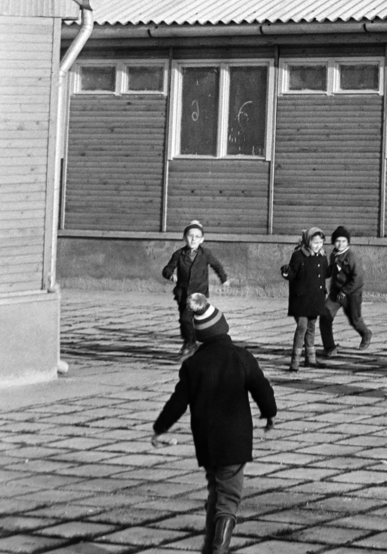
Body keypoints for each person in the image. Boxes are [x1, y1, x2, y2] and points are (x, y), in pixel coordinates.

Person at [151, 294, 276, 554]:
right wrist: (269, 414)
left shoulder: (193, 365)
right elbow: (262, 388)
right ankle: (219, 547)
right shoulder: (242, 357)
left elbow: (178, 401)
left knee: (215, 491)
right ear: (224, 328)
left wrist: (161, 427)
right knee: (228, 497)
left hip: (207, 441)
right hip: (235, 439)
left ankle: (210, 546)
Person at [161, 221, 228, 360]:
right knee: (185, 320)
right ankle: (190, 343)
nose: (193, 239)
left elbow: (217, 266)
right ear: (184, 238)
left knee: (197, 319)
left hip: (199, 294)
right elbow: (167, 269)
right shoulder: (179, 254)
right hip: (183, 294)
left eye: (197, 236)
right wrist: (170, 275)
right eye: (190, 236)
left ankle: (199, 344)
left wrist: (224, 279)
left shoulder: (206, 254)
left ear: (202, 239)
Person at [279, 228, 329, 372]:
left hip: (315, 299)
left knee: (311, 327)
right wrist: (286, 272)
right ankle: (295, 362)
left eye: (320, 242)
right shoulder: (299, 255)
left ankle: (310, 359)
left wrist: (337, 268)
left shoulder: (322, 256)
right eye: (315, 242)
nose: (318, 245)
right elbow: (292, 274)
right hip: (301, 299)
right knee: (302, 327)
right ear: (308, 241)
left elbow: (325, 273)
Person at [319, 225, 373, 357]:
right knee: (325, 316)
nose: (340, 244)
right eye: (337, 241)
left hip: (351, 294)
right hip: (335, 293)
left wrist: (345, 291)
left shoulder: (352, 257)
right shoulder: (333, 254)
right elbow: (331, 271)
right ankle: (330, 348)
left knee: (355, 320)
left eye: (343, 241)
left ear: (348, 242)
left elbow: (358, 279)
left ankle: (366, 333)